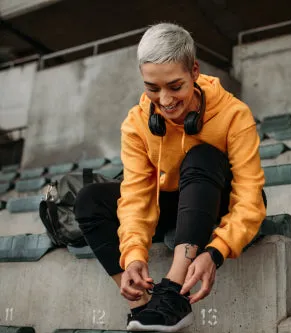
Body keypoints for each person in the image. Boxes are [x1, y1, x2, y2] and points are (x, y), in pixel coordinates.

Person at [74, 22, 266, 332]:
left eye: (175, 87)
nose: (164, 100)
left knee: (202, 155)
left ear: (194, 71)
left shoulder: (234, 114)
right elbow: (136, 195)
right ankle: (143, 308)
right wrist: (133, 254)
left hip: (215, 199)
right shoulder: (136, 123)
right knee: (89, 200)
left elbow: (251, 200)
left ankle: (174, 294)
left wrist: (215, 253)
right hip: (172, 203)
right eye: (153, 88)